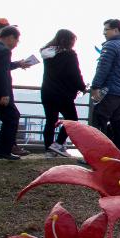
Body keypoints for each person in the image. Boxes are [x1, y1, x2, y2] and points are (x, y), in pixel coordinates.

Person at [39, 29, 87, 157]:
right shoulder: (69, 55)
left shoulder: (48, 54)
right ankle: (58, 144)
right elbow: (75, 74)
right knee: (72, 120)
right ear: (68, 41)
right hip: (63, 93)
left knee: (50, 121)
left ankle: (49, 150)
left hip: (47, 92)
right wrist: (82, 87)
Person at [89, 19, 120, 145]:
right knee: (117, 123)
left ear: (116, 30)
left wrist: (95, 87)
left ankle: (98, 152)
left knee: (99, 119)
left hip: (109, 90)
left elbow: (102, 68)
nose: (104, 33)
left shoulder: (110, 46)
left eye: (106, 29)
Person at [0, 25, 22, 161]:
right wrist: (4, 94)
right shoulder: (5, 51)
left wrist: (18, 64)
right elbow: (1, 73)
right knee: (12, 117)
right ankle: (3, 150)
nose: (16, 44)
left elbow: (2, 66)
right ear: (11, 37)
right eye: (17, 41)